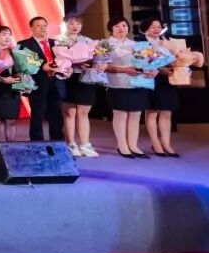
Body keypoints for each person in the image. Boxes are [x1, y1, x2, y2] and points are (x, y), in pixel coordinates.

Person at [104, 16, 154, 159]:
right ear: (111, 28)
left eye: (124, 26)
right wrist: (124, 70)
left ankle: (133, 145)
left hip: (137, 82)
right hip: (117, 83)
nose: (121, 28)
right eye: (117, 26)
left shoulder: (137, 44)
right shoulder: (104, 44)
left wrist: (150, 69)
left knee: (135, 114)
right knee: (120, 114)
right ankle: (122, 145)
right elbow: (102, 66)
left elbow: (147, 63)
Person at [57, 13, 99, 158]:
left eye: (78, 24)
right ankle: (71, 144)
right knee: (70, 112)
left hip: (85, 77)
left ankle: (85, 144)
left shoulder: (88, 41)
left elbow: (97, 57)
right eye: (71, 23)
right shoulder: (59, 40)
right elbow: (59, 58)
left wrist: (92, 63)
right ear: (65, 25)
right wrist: (75, 63)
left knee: (84, 112)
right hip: (68, 77)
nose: (75, 26)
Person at [139, 16, 180, 157]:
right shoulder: (141, 42)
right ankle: (155, 143)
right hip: (152, 79)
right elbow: (142, 63)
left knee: (167, 112)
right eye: (153, 27)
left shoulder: (166, 42)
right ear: (146, 29)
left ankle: (166, 143)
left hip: (168, 80)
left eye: (159, 26)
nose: (156, 29)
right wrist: (160, 69)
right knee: (152, 112)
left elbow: (176, 59)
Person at [19, 16, 62, 141]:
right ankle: (37, 142)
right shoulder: (25, 44)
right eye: (38, 26)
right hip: (37, 83)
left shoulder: (56, 43)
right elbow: (23, 65)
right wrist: (42, 67)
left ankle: (57, 141)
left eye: (44, 25)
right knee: (38, 114)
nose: (43, 28)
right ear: (31, 28)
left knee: (56, 113)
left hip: (56, 82)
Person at [0, 25, 22, 144]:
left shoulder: (15, 52)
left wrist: (22, 75)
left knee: (11, 120)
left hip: (13, 90)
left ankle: (10, 148)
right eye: (4, 34)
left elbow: (21, 69)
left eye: (9, 34)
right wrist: (3, 79)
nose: (7, 37)